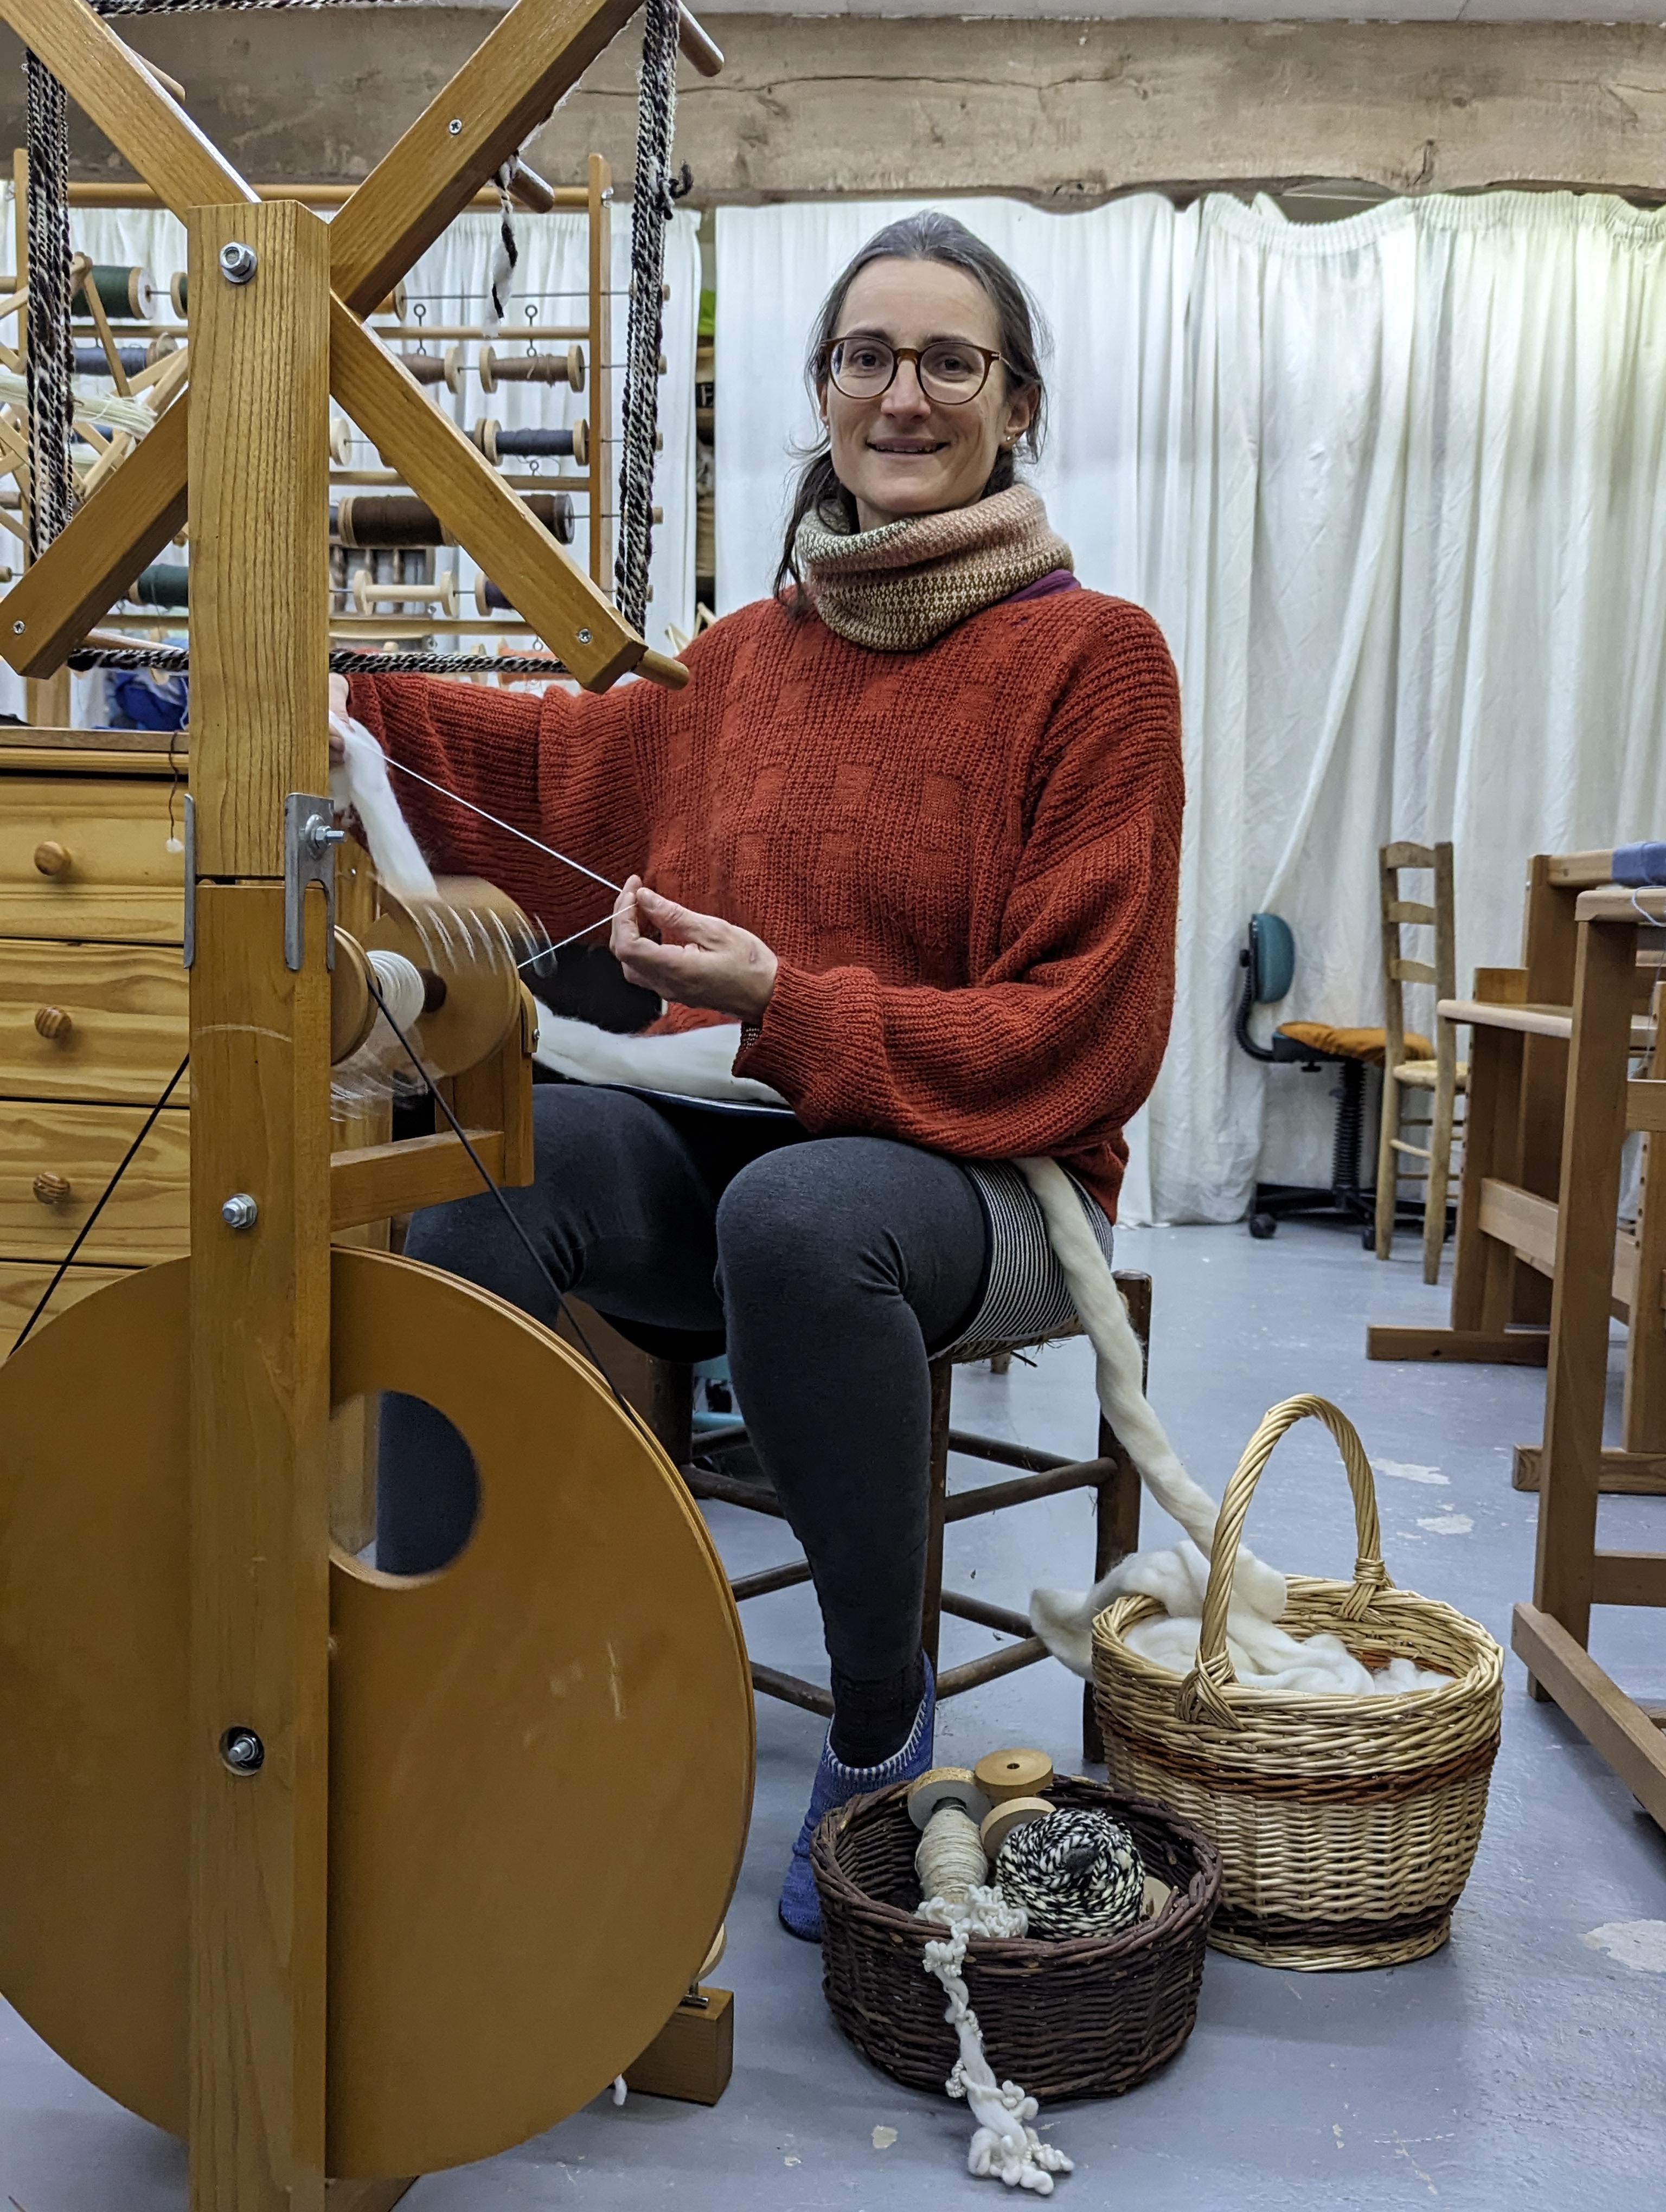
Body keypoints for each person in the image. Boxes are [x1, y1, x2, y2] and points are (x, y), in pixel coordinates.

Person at [331, 210, 1183, 1940]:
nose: (903, 395)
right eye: (867, 356)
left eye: (949, 361)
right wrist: (338, 698)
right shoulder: (747, 659)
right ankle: (439, 1686)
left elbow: (1080, 1034)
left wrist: (789, 1005)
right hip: (744, 1135)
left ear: (1018, 401)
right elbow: (555, 773)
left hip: (992, 1178)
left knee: (798, 1220)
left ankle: (876, 1735)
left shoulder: (1099, 663)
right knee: (498, 1166)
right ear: (824, 387)